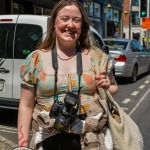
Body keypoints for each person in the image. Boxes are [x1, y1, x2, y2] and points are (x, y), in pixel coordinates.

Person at [18, 0, 118, 149]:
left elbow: (114, 88)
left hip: (90, 140)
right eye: (64, 19)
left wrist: (107, 86)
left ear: (82, 25)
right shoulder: (35, 59)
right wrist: (22, 146)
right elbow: (26, 106)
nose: (70, 25)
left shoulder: (98, 58)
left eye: (76, 20)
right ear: (54, 23)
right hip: (47, 138)